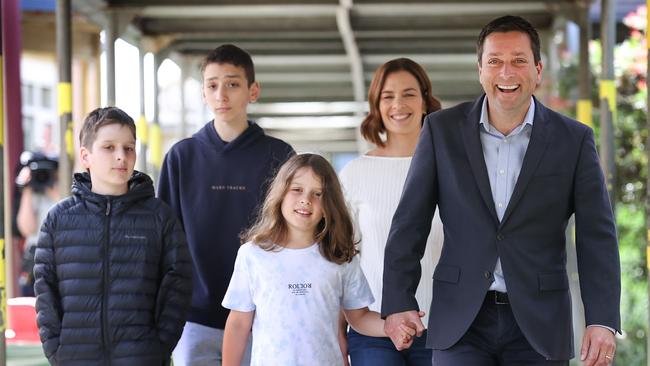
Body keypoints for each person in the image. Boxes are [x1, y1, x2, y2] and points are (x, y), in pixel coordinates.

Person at [381, 15, 620, 366]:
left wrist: (602, 319)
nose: (506, 73)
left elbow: (596, 236)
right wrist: (399, 302)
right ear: (480, 70)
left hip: (540, 324)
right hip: (461, 321)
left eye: (518, 61)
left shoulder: (574, 139)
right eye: (495, 61)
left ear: (538, 70)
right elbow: (409, 223)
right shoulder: (440, 131)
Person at [158, 44, 295, 366]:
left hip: (262, 314)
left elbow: (294, 236)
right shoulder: (182, 157)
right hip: (194, 316)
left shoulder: (280, 156)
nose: (222, 94)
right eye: (212, 85)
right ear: (203, 92)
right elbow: (163, 239)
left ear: (253, 90)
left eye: (233, 84)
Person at [221, 153, 418, 366]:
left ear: (328, 207)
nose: (306, 200)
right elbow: (239, 324)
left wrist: (392, 325)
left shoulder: (339, 257)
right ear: (280, 194)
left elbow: (359, 318)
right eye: (297, 189)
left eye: (318, 194)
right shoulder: (253, 255)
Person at [33, 106, 192, 365]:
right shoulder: (58, 218)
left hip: (142, 357)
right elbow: (44, 289)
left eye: (128, 148)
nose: (121, 156)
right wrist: (56, 349)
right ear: (86, 156)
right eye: (109, 147)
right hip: (75, 358)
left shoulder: (159, 216)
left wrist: (158, 346)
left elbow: (179, 284)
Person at [338, 58, 443, 365]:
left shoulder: (450, 171)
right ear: (377, 106)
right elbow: (341, 259)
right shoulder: (354, 173)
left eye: (409, 94)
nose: (399, 104)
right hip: (373, 329)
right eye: (388, 96)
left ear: (425, 102)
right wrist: (337, 333)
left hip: (442, 328)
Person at [15, 151, 60, 296]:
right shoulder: (31, 194)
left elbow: (72, 220)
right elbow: (27, 229)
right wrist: (26, 190)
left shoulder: (63, 192)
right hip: (35, 261)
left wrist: (54, 190)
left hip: (58, 260)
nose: (42, 174)